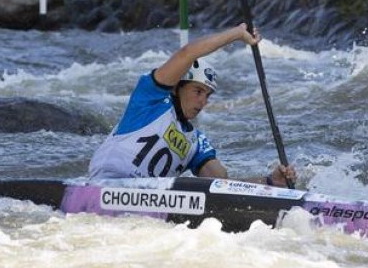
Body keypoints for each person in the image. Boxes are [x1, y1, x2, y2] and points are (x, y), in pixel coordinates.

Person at [87, 24, 296, 187]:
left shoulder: (196, 142)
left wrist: (270, 181)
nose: (203, 102)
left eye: (207, 95)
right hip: (104, 183)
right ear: (177, 88)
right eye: (197, 91)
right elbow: (188, 53)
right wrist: (237, 33)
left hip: (146, 200)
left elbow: (221, 185)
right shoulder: (149, 100)